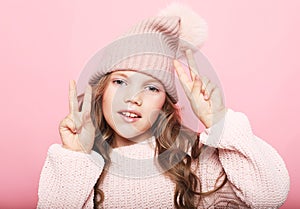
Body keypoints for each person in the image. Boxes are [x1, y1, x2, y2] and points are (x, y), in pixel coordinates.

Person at [37, 3, 290, 209]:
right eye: (120, 81)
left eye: (151, 88)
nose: (134, 98)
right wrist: (75, 157)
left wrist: (221, 122)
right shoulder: (82, 167)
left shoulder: (194, 161)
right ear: (101, 91)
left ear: (164, 104)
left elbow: (270, 195)